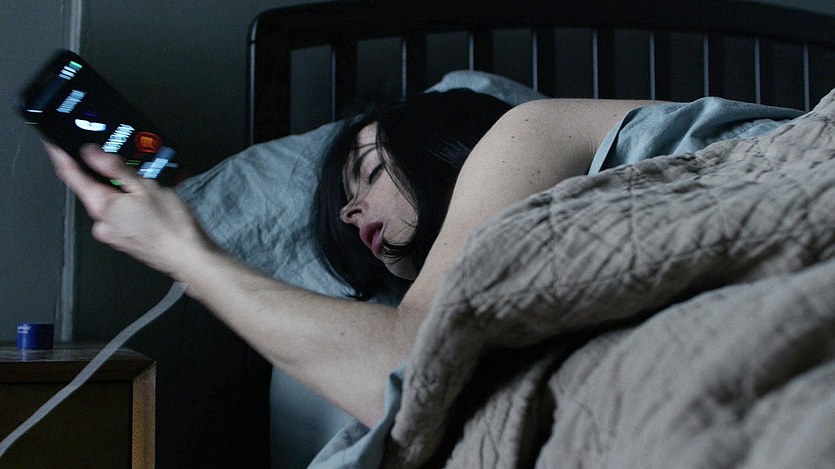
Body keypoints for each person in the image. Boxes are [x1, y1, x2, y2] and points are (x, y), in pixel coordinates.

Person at [45, 90, 661, 427]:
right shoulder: (499, 269)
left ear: (435, 144)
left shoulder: (527, 129)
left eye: (368, 172)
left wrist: (183, 252)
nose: (348, 212)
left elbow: (413, 373)